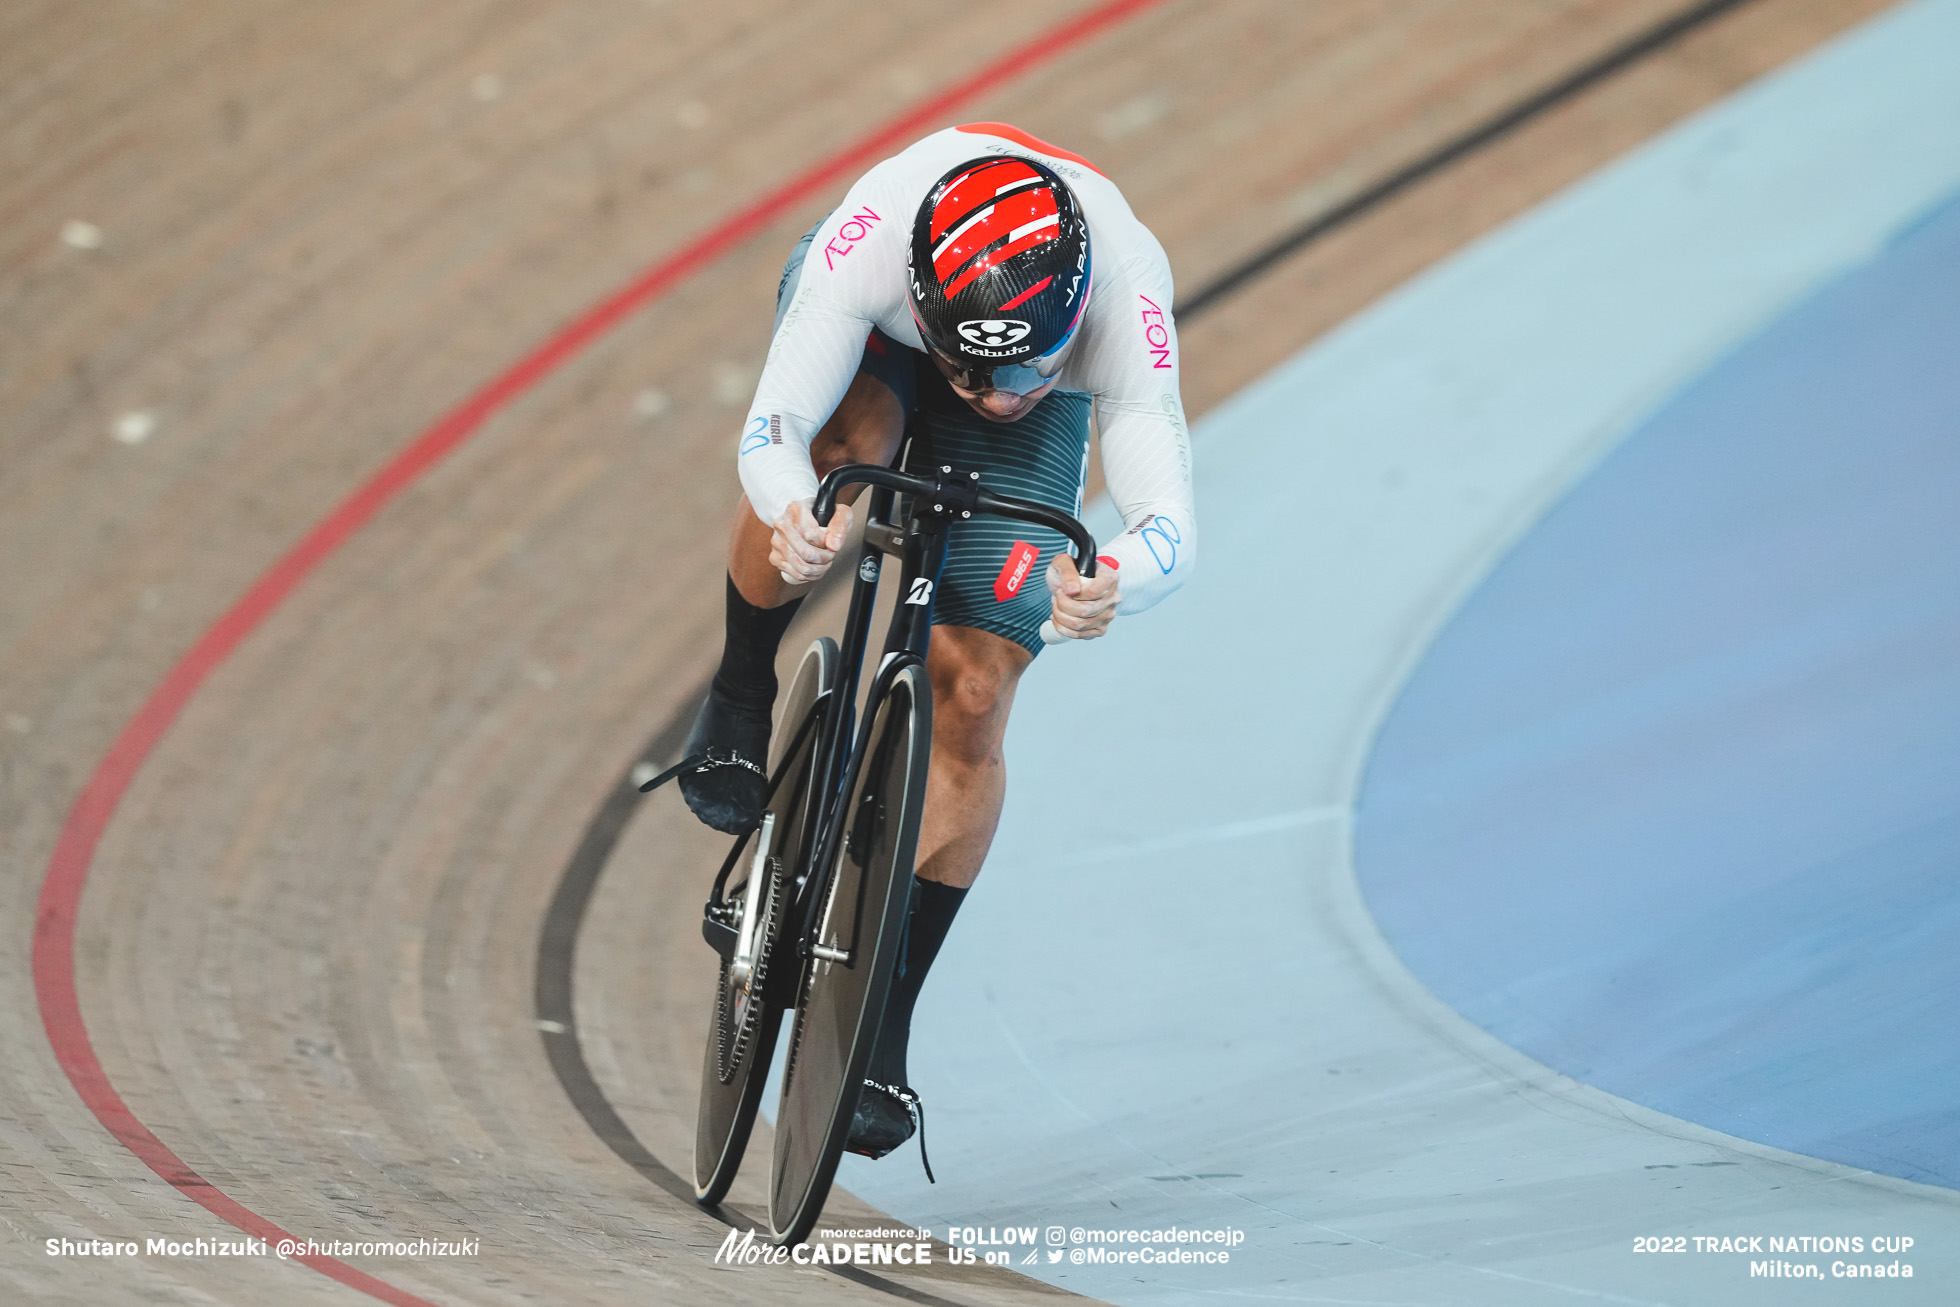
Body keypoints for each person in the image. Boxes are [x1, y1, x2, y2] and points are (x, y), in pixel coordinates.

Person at [683, 123, 1196, 1165]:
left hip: (1000, 345)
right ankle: (737, 696)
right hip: (878, 352)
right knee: (841, 454)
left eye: (1031, 373)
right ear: (924, 297)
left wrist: (1115, 581)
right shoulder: (865, 251)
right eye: (979, 377)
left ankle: (881, 1028)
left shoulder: (1124, 293)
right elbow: (768, 434)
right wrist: (795, 508)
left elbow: (1169, 523)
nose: (1004, 399)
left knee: (976, 692)